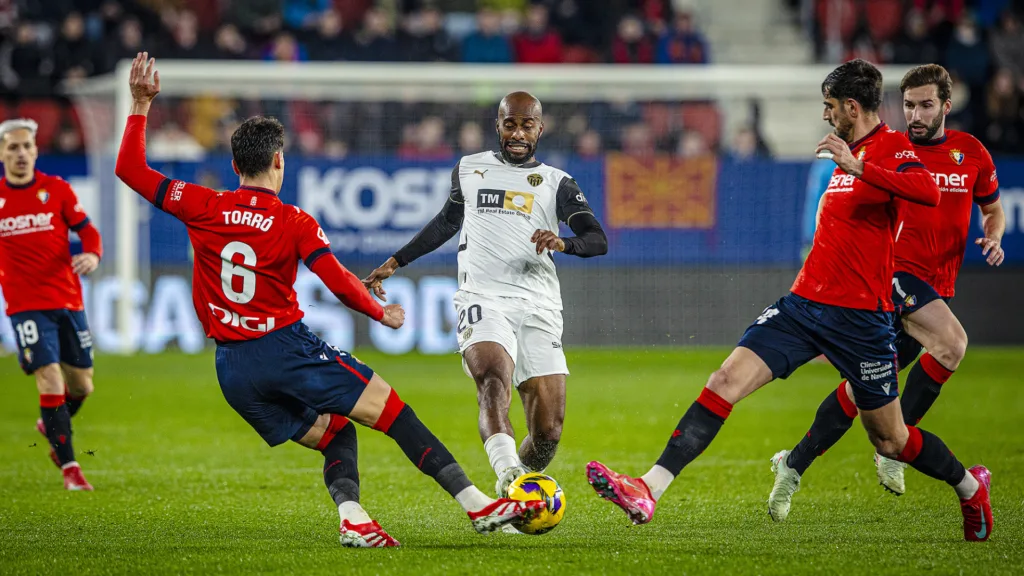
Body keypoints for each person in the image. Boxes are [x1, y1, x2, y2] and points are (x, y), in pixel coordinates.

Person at [114, 53, 542, 548]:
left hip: (232, 369)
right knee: (395, 412)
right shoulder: (293, 221)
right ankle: (478, 505)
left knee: (336, 432)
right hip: (285, 350)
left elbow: (128, 167)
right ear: (279, 161)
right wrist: (381, 312)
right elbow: (337, 281)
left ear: (234, 166)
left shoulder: (200, 203)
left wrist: (141, 104)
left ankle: (354, 518)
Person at [584, 59, 993, 542]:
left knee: (892, 439)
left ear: (852, 107)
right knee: (724, 379)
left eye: (830, 107)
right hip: (802, 307)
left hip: (861, 321)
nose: (825, 115)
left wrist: (860, 167)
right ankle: (648, 488)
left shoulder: (892, 148)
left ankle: (970, 489)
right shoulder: (845, 153)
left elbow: (926, 190)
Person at [362, 92, 607, 526]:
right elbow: (445, 222)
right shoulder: (470, 168)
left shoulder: (557, 182)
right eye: (509, 124)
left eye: (525, 126)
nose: (517, 133)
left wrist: (564, 242)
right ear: (498, 126)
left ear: (539, 130)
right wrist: (397, 261)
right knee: (493, 378)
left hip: (539, 304)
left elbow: (597, 239)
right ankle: (509, 476)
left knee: (548, 432)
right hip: (482, 297)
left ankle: (517, 499)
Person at [769, 63, 1005, 510]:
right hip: (894, 275)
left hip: (937, 284)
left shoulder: (970, 152)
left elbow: (992, 208)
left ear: (946, 107)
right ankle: (896, 447)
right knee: (952, 344)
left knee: (865, 387)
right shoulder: (890, 148)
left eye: (925, 106)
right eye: (909, 105)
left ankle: (794, 463)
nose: (915, 115)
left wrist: (992, 234)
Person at [0, 118, 102, 491]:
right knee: (50, 377)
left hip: (67, 300)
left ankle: (52, 423)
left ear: (36, 150)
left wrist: (92, 254)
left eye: (26, 146)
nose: (21, 153)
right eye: (13, 147)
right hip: (25, 306)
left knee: (83, 385)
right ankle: (71, 469)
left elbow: (88, 230)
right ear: (2, 153)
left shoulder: (56, 189)